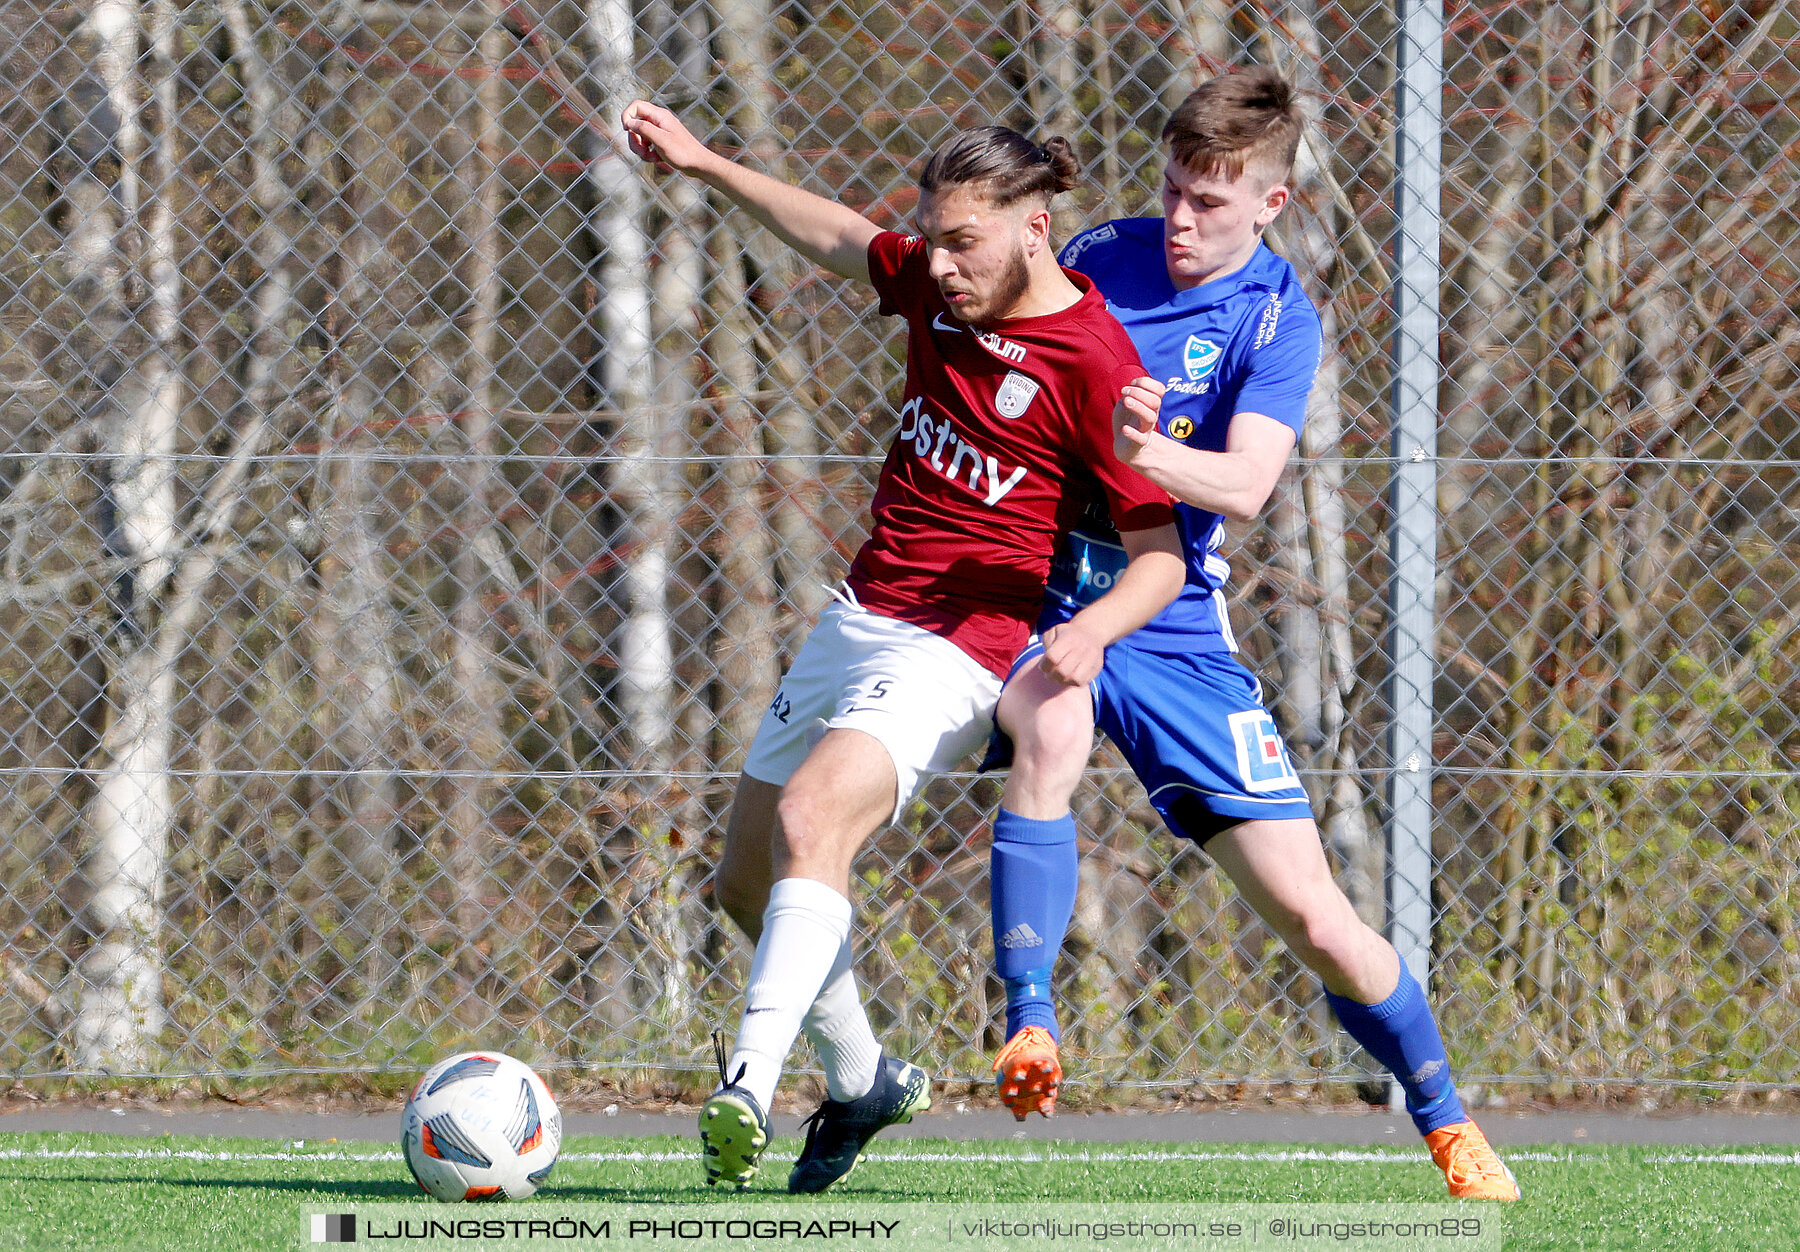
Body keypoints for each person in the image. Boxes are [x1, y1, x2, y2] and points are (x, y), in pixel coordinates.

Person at [620, 101, 1186, 1193]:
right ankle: (865, 1076)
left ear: (1035, 228)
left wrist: (1090, 630)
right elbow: (840, 236)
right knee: (743, 885)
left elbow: (1161, 553)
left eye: (963, 241)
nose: (940, 263)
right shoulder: (938, 277)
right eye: (931, 237)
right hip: (862, 613)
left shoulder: (1094, 361)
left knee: (810, 816)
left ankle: (747, 1080)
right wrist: (703, 162)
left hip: (960, 647)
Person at [980, 67, 1521, 1202]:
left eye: (1210, 204)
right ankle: (1024, 1027)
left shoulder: (1279, 316)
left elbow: (1246, 483)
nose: (1180, 220)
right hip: (1035, 587)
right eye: (1174, 191)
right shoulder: (1092, 253)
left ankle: (1446, 1117)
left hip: (1173, 620)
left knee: (1320, 921)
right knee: (1038, 732)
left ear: (1270, 203)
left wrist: (1142, 450)